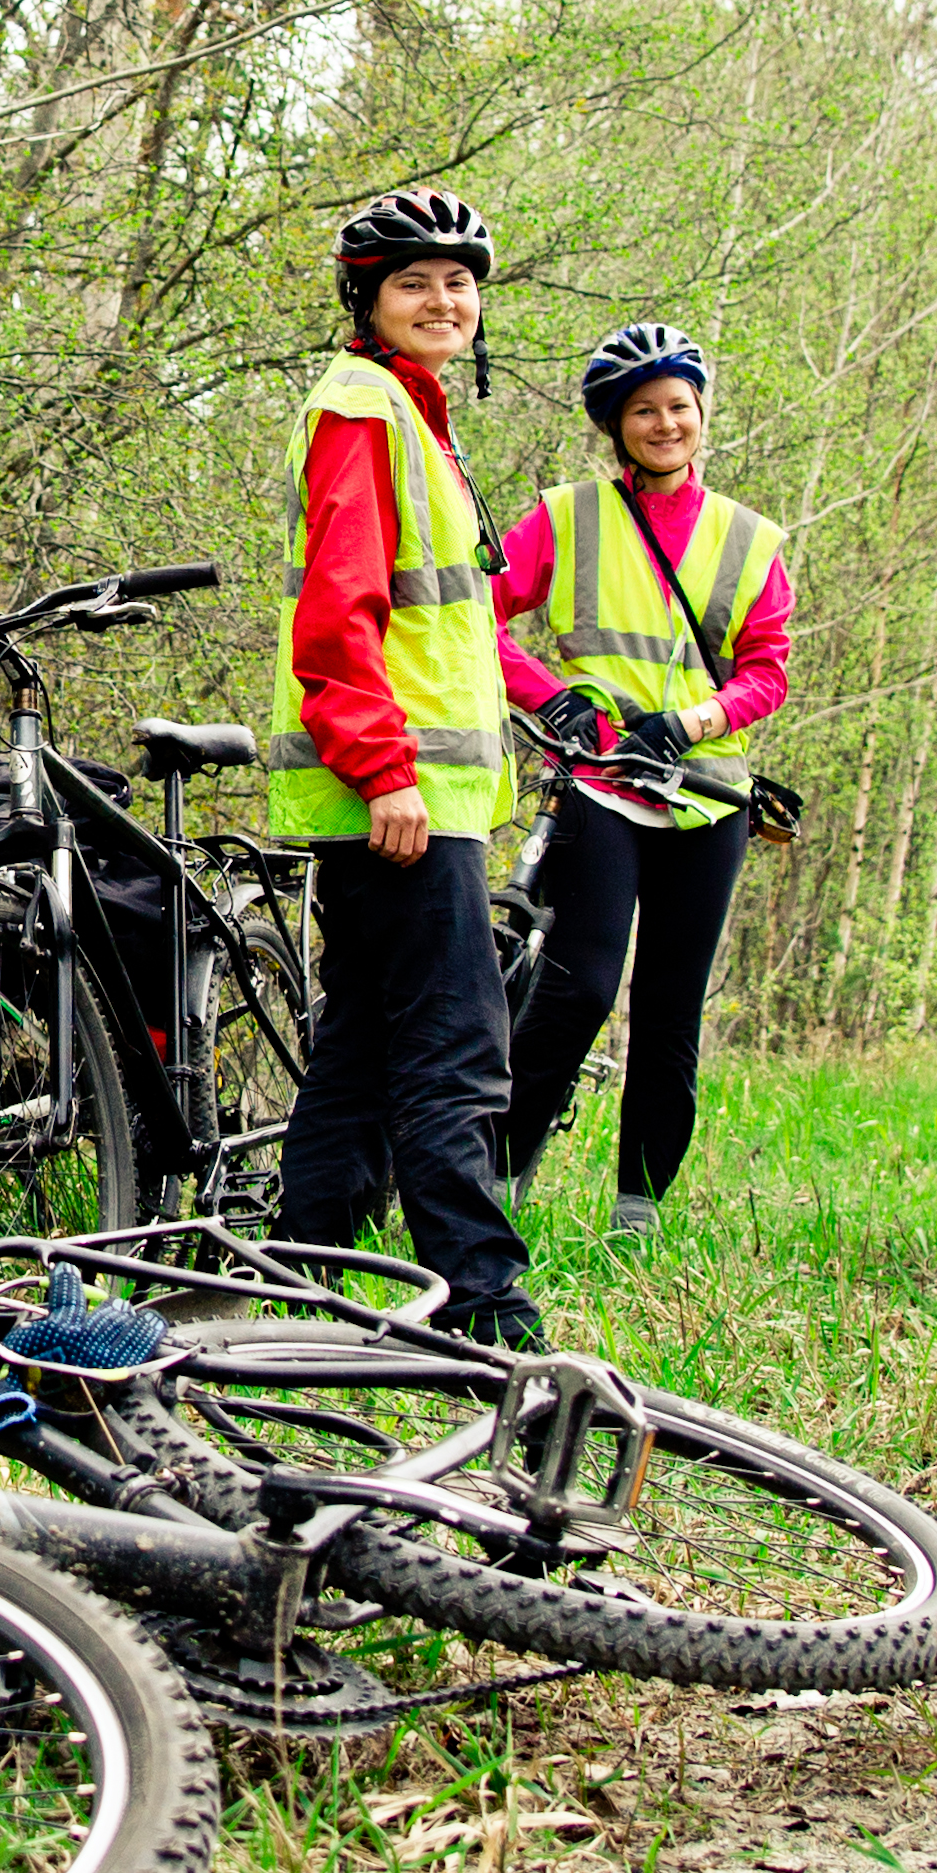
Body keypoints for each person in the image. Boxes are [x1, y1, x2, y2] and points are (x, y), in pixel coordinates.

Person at [265, 189, 539, 1349]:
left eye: (458, 281)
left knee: (365, 1049)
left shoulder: (409, 419)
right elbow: (337, 615)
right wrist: (384, 771)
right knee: (454, 1050)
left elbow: (444, 614)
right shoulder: (364, 410)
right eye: (413, 283)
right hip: (395, 796)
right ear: (367, 301)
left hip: (413, 793)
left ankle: (296, 1283)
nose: (443, 301)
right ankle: (483, 1310)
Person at [490, 321, 792, 1232]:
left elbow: (767, 669)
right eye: (643, 412)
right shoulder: (569, 514)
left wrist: (692, 721)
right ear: (614, 426)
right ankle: (499, 1180)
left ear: (701, 414)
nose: (665, 425)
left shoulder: (749, 536)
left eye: (679, 408)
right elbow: (476, 616)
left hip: (706, 795)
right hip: (599, 781)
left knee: (669, 1009)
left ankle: (638, 1213)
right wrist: (550, 698)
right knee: (577, 987)